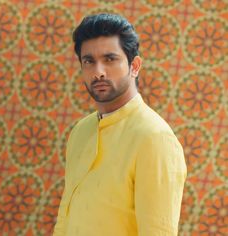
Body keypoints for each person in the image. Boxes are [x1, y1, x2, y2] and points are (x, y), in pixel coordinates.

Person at [53, 13, 187, 236]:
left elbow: (157, 231)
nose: (99, 72)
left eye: (110, 59)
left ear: (134, 66)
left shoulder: (154, 138)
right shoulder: (81, 131)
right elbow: (65, 217)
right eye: (89, 61)